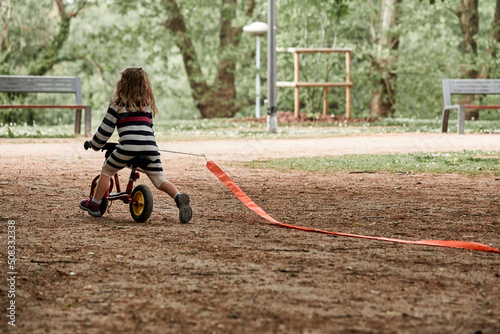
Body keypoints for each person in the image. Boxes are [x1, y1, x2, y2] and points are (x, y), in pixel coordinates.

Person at [79, 67, 192, 224]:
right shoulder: (146, 107)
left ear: (122, 85)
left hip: (127, 148)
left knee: (107, 171)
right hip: (151, 149)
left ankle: (95, 204)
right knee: (160, 180)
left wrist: (94, 145)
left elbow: (104, 132)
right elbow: (149, 131)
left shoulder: (117, 106)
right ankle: (179, 197)